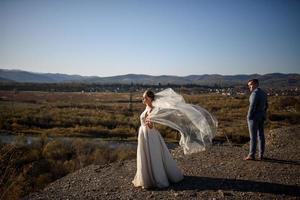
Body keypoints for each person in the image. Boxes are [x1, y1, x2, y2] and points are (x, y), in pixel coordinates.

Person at [132, 88, 217, 189]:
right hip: (144, 135)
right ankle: (147, 177)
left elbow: (151, 126)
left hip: (150, 135)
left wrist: (149, 123)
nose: (143, 99)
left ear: (150, 98)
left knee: (154, 156)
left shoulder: (153, 110)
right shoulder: (147, 107)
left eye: (144, 97)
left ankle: (156, 178)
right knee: (145, 156)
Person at [244, 79, 268, 161]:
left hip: (254, 117)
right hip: (261, 116)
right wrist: (263, 113)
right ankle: (261, 154)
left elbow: (252, 107)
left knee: (253, 137)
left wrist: (249, 116)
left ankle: (251, 155)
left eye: (250, 84)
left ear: (255, 84)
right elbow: (266, 105)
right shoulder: (264, 93)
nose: (249, 86)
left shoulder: (254, 94)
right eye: (248, 85)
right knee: (261, 135)